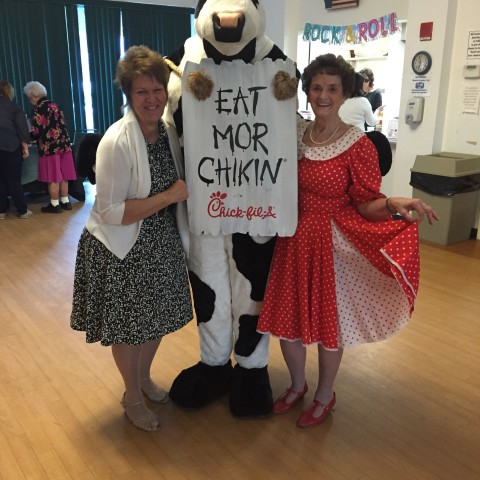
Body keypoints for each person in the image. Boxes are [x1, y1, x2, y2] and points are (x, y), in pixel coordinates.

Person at [257, 54, 439, 428]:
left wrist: (392, 202)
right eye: (317, 87)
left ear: (344, 95)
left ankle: (325, 395)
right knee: (288, 321)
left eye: (332, 88)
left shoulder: (359, 144)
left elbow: (366, 202)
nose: (323, 95)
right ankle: (296, 385)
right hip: (293, 238)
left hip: (331, 243)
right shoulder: (295, 134)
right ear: (306, 92)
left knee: (328, 326)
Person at [70, 45, 193, 432]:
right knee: (129, 327)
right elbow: (109, 212)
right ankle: (132, 396)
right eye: (142, 92)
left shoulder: (167, 132)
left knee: (155, 320)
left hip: (159, 242)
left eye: (157, 89)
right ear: (128, 95)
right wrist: (168, 197)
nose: (152, 99)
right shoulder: (116, 141)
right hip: (121, 246)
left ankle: (142, 378)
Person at [23, 81, 76, 213]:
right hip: (64, 145)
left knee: (53, 176)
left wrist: (26, 138)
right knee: (64, 175)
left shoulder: (38, 109)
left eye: (29, 98)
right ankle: (65, 201)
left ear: (34, 96)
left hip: (49, 147)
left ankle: (54, 204)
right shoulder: (54, 105)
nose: (30, 101)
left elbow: (36, 131)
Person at [0, 80, 32, 219]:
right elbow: (22, 129)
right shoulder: (14, 107)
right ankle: (22, 210)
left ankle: (1, 211)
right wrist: (25, 147)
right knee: (14, 180)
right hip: (11, 147)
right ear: (8, 91)